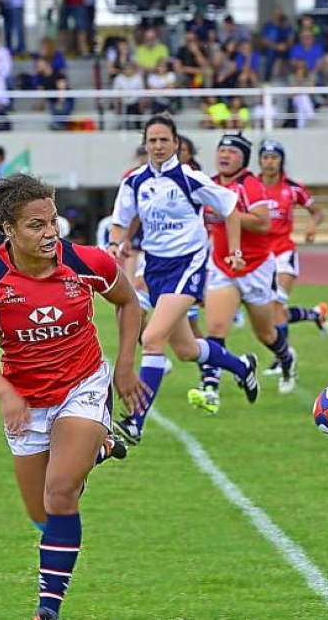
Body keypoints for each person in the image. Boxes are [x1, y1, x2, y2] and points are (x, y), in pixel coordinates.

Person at [0, 174, 144, 620]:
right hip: (26, 402)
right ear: (8, 228)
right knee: (42, 515)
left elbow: (129, 302)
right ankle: (97, 449)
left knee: (61, 492)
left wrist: (124, 366)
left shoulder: (85, 261)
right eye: (36, 225)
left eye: (52, 221)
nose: (50, 234)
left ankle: (47, 610)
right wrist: (6, 393)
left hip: (83, 386)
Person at [107, 115, 260, 445]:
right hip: (154, 269)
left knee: (151, 338)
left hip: (188, 266)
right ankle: (242, 367)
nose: (159, 146)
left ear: (176, 143)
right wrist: (114, 243)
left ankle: (135, 421)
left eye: (165, 140)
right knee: (188, 350)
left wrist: (234, 250)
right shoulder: (134, 182)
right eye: (153, 140)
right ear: (145, 143)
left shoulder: (190, 178)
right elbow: (120, 222)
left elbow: (230, 207)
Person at [186, 134, 297, 413]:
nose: (224, 155)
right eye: (221, 150)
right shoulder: (209, 183)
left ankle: (286, 359)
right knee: (216, 328)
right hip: (223, 266)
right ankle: (210, 387)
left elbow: (262, 223)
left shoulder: (251, 185)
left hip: (256, 267)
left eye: (231, 152)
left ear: (243, 158)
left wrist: (230, 214)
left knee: (265, 333)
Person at [255, 140, 328, 382]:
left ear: (281, 160)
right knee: (272, 311)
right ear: (259, 160)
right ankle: (315, 315)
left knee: (276, 305)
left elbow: (317, 211)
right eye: (265, 157)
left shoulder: (292, 189)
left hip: (284, 252)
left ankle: (282, 359)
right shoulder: (251, 187)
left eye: (273, 157)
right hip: (258, 256)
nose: (269, 161)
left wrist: (311, 224)